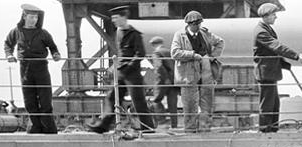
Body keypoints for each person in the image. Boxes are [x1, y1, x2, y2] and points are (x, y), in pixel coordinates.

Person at [87, 5, 155, 133]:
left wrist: (128, 66)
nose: (113, 20)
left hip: (132, 74)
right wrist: (116, 66)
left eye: (116, 18)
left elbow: (140, 54)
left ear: (124, 18)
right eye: (113, 18)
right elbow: (121, 53)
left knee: (138, 101)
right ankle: (102, 126)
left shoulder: (134, 34)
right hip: (121, 72)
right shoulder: (118, 32)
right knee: (111, 97)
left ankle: (148, 128)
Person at [4, 4, 61, 134]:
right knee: (29, 99)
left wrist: (56, 54)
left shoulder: (43, 33)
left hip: (41, 67)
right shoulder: (16, 32)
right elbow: (8, 44)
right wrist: (9, 55)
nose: (34, 20)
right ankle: (34, 127)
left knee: (45, 98)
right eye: (31, 17)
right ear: (24, 17)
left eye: (36, 17)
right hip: (25, 68)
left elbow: (53, 47)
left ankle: (49, 128)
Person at [253, 3, 302, 133]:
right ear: (266, 16)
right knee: (267, 103)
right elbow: (277, 47)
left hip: (270, 72)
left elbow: (273, 52)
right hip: (266, 73)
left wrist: (286, 65)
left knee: (274, 103)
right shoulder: (261, 31)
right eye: (273, 14)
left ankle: (272, 128)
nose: (275, 17)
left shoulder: (266, 29)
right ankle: (265, 130)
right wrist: (297, 56)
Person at [171, 11, 224, 133]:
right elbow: (174, 53)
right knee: (189, 105)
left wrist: (212, 57)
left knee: (207, 103)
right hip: (188, 76)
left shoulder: (205, 33)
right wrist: (193, 55)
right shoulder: (179, 35)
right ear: (189, 24)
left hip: (206, 74)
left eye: (199, 24)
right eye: (195, 24)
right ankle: (190, 131)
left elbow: (220, 42)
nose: (197, 27)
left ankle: (205, 129)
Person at [149, 36, 179, 128]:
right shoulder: (170, 52)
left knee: (156, 101)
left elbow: (158, 67)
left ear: (154, 45)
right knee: (172, 104)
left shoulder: (156, 53)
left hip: (162, 81)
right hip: (174, 81)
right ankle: (174, 125)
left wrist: (165, 79)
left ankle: (162, 121)